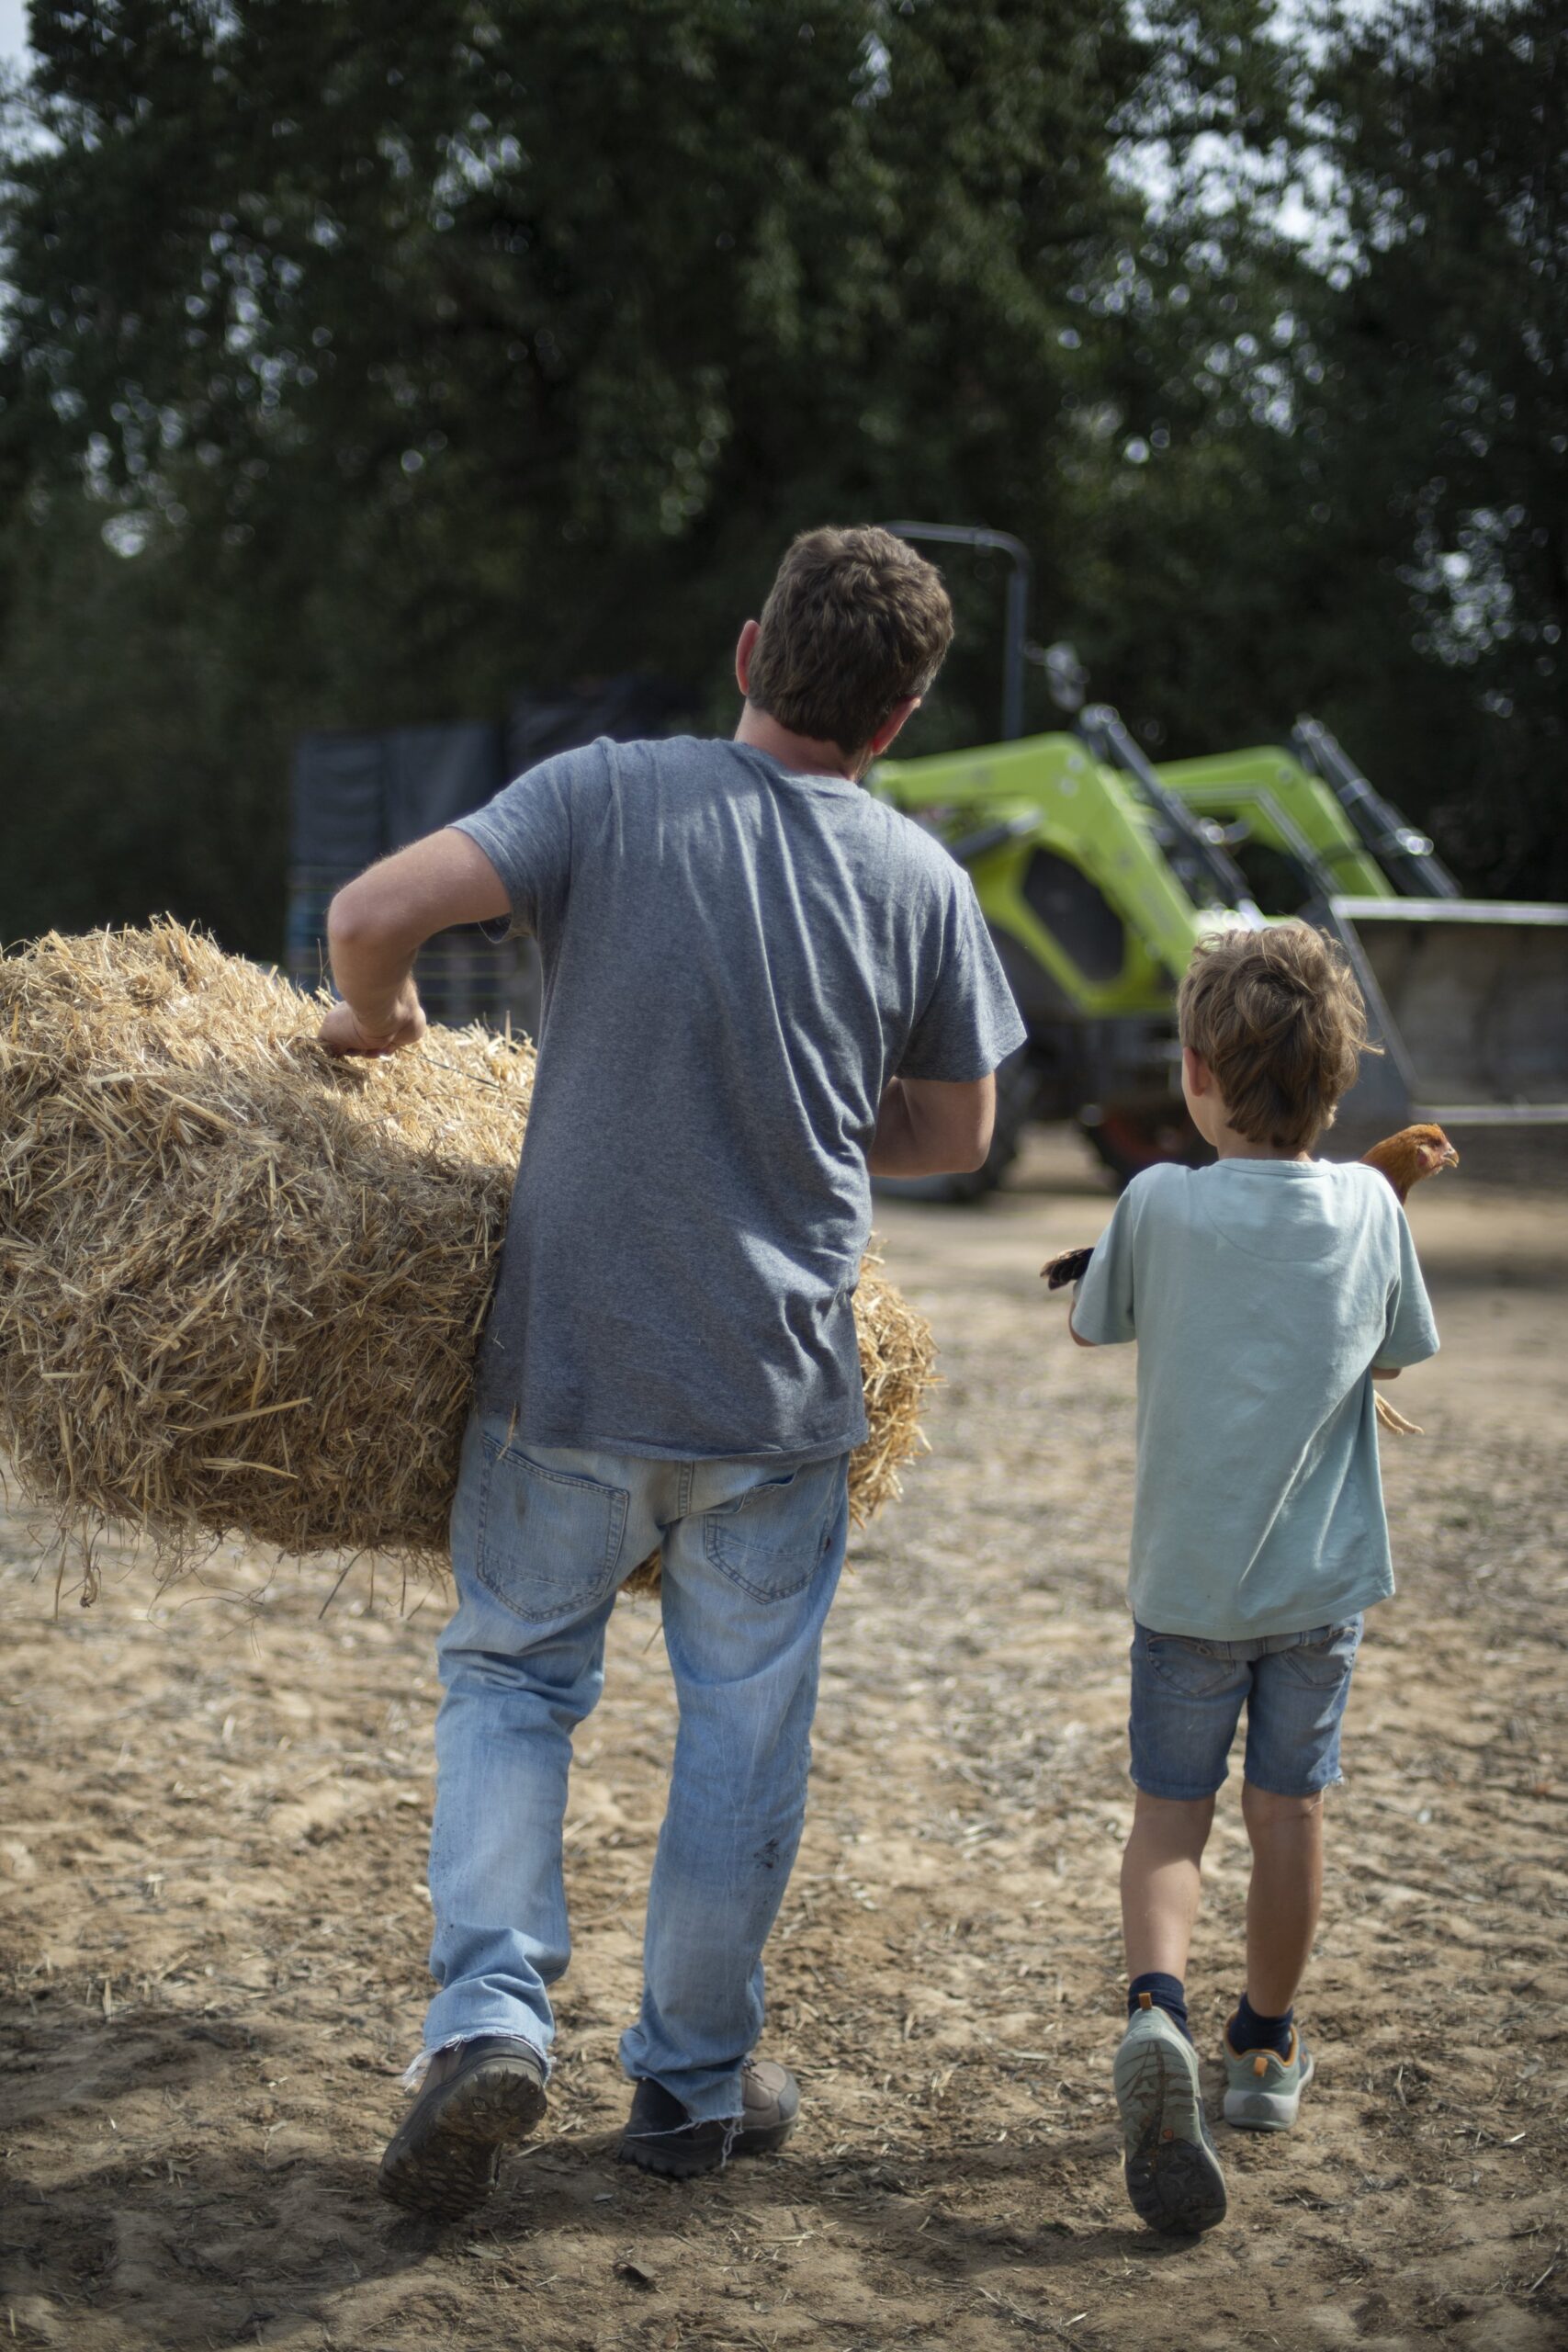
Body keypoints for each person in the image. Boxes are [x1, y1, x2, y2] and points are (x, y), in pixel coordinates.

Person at [318, 526, 1027, 2219]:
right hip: (776, 1404)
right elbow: (957, 1129)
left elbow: (367, 914)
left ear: (745, 653)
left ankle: (488, 2021)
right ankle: (695, 2087)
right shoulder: (922, 880)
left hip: (566, 1377)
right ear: (903, 716)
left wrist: (377, 1022)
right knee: (742, 1734)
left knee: (510, 1680)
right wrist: (785, 1096)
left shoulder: (608, 794)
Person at [1066, 921, 1438, 2237]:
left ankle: (1154, 2015)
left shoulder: (1156, 1200)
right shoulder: (1369, 1209)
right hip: (1318, 1594)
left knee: (1171, 1817)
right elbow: (1397, 1350)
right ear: (1339, 1090)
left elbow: (1092, 1317)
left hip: (1185, 1592)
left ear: (1195, 1074)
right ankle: (1263, 2052)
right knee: (1291, 1818)